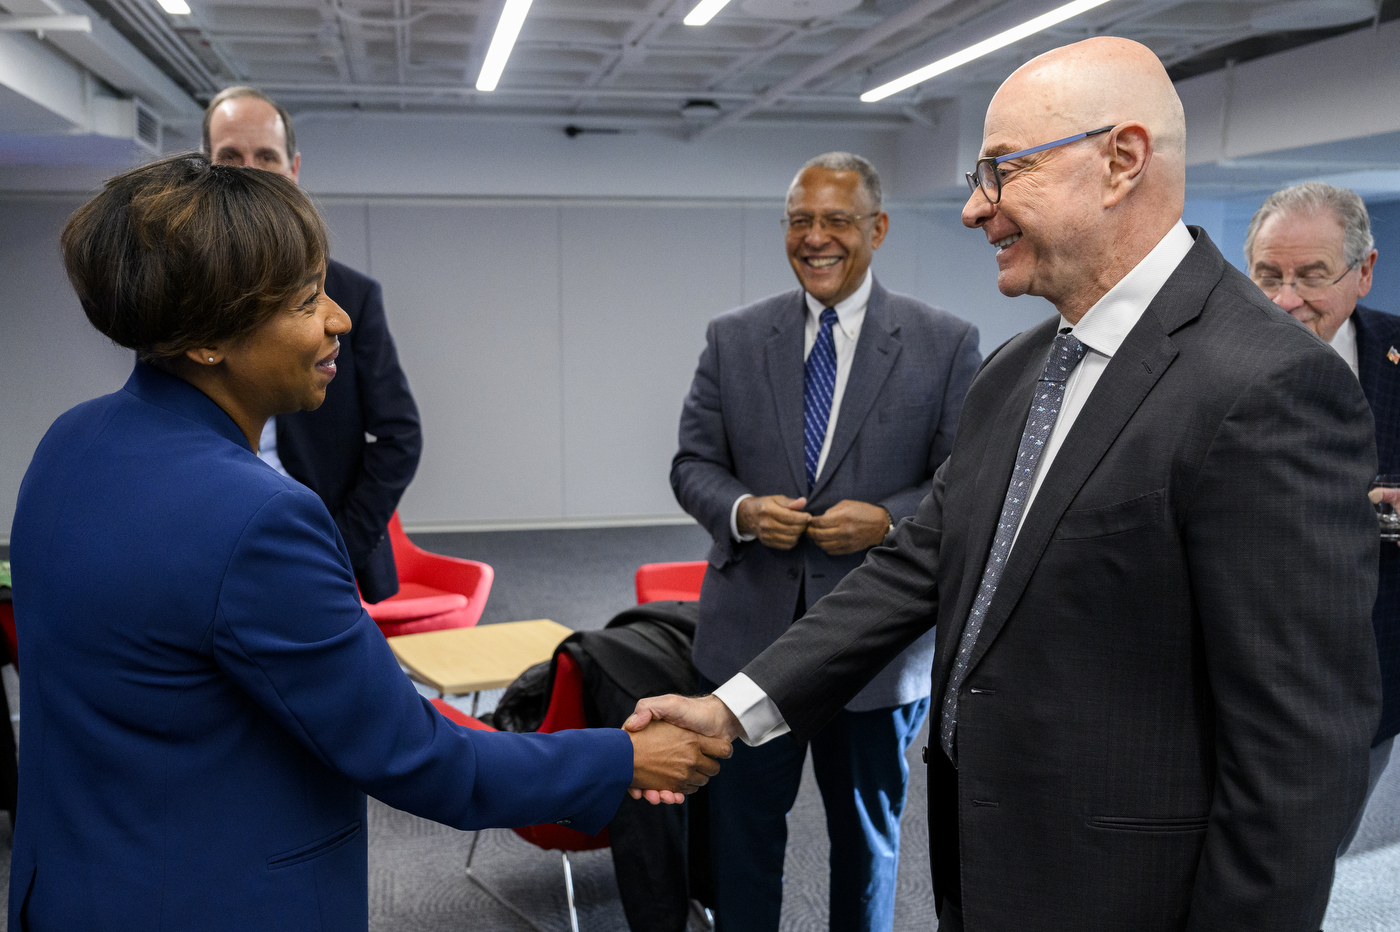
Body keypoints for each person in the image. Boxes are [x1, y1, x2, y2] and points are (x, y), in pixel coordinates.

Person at [628, 37, 1382, 932]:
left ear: (1122, 161)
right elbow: (918, 567)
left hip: (1126, 892)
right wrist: (730, 710)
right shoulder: (1019, 370)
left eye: (1003, 172)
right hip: (986, 862)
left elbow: (1298, 753)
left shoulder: (1269, 384)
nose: (974, 209)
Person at [6, 154, 730, 931]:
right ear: (210, 340)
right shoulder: (257, 518)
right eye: (306, 300)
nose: (338, 319)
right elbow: (416, 758)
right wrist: (623, 757)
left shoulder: (69, 442)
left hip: (70, 890)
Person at [671, 151, 979, 932]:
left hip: (875, 651)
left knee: (865, 843)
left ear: (875, 229)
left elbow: (965, 480)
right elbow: (691, 463)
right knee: (741, 841)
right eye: (801, 221)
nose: (816, 238)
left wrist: (888, 520)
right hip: (747, 643)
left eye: (836, 220)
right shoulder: (734, 338)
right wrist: (742, 509)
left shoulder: (944, 344)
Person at [204, 86, 419, 603]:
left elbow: (400, 438)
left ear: (293, 168)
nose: (249, 171)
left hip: (321, 547)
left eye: (267, 157)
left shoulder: (352, 296)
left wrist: (342, 545)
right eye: (229, 157)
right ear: (205, 167)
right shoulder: (185, 298)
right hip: (210, 541)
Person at [1244, 181, 1399, 853]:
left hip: (1369, 672)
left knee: (1318, 861)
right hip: (1238, 675)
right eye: (1268, 276)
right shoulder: (1203, 359)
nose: (1285, 300)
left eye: (1311, 277)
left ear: (1363, 272)